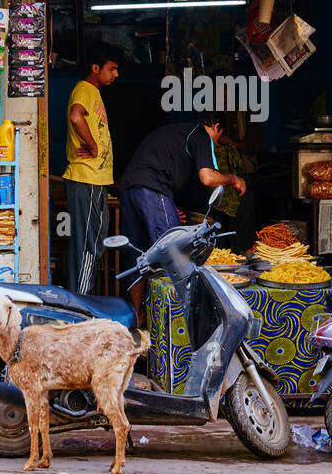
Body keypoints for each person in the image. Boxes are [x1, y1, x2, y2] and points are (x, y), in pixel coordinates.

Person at [116, 113, 246, 318]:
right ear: (216, 127)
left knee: (137, 255)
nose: (215, 143)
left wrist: (164, 204)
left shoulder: (176, 132)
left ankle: (139, 316)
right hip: (152, 188)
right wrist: (234, 178)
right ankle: (180, 320)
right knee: (177, 253)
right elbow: (207, 177)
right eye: (218, 137)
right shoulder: (201, 134)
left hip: (130, 188)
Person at [63, 43, 122, 294]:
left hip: (94, 180)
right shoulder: (85, 89)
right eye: (112, 69)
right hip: (86, 178)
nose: (116, 75)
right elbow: (76, 117)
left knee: (93, 240)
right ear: (95, 68)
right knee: (89, 243)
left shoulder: (93, 92)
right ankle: (81, 301)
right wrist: (94, 147)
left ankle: (81, 297)